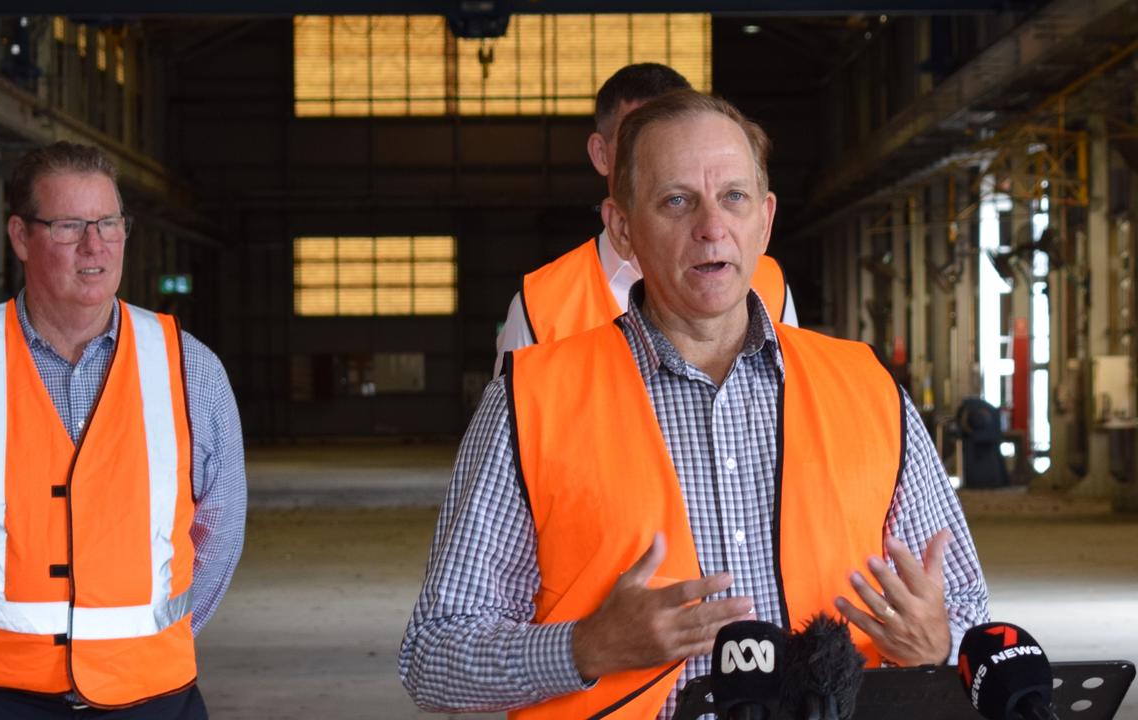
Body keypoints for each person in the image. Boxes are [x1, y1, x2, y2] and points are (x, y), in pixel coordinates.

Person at [401, 90, 988, 719]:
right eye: (676, 201)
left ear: (764, 220)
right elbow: (433, 659)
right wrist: (582, 647)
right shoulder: (529, 403)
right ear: (622, 228)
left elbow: (971, 618)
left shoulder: (867, 388)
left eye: (733, 197)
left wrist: (938, 643)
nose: (712, 226)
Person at [0, 141, 246, 719]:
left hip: (151, 698)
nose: (95, 245)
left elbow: (219, 532)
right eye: (69, 226)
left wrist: (141, 649)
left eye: (109, 223)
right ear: (20, 237)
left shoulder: (193, 373)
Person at [493, 63, 796, 378]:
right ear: (600, 153)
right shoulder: (541, 310)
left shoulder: (771, 288)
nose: (712, 228)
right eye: (635, 137)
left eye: (733, 196)